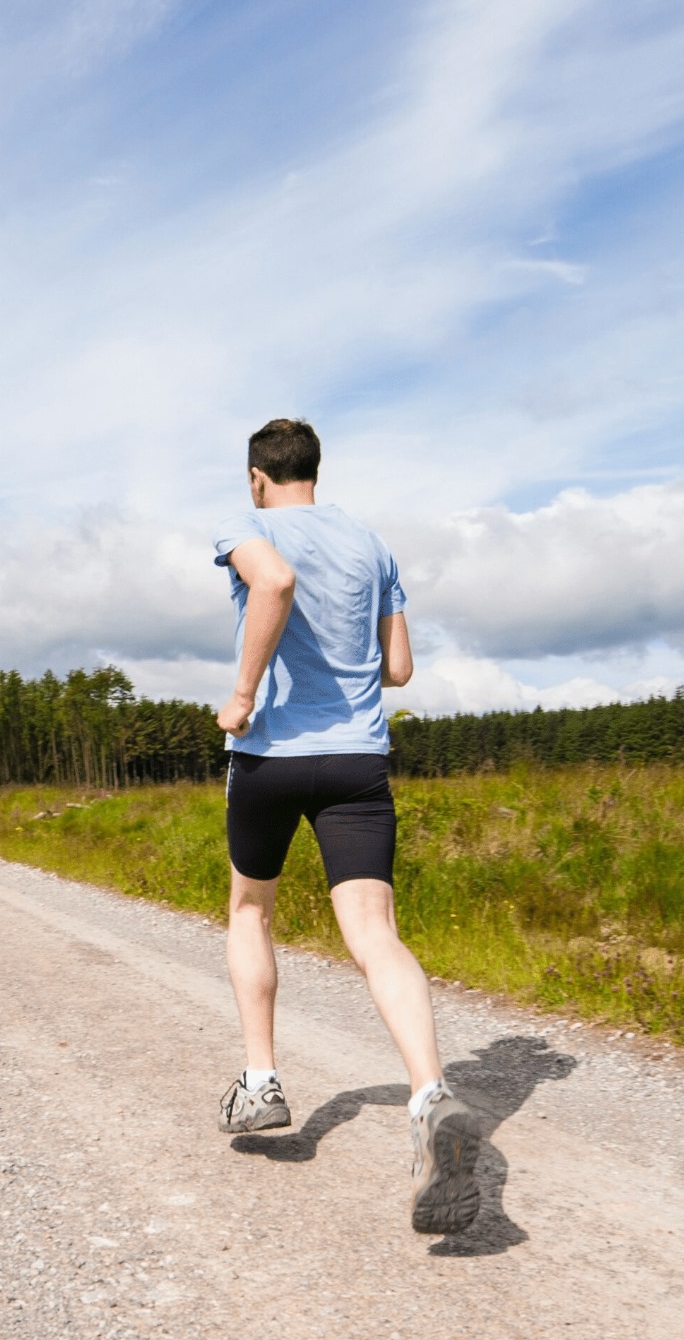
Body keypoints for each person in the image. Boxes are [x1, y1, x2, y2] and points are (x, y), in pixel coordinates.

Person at [211, 417, 480, 1235]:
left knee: (251, 908)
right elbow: (398, 668)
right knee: (374, 932)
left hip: (270, 758)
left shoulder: (247, 527)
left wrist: (245, 695)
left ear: (258, 477)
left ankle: (261, 1084)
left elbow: (275, 584)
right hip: (359, 760)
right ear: (314, 471)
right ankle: (431, 1092)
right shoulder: (372, 545)